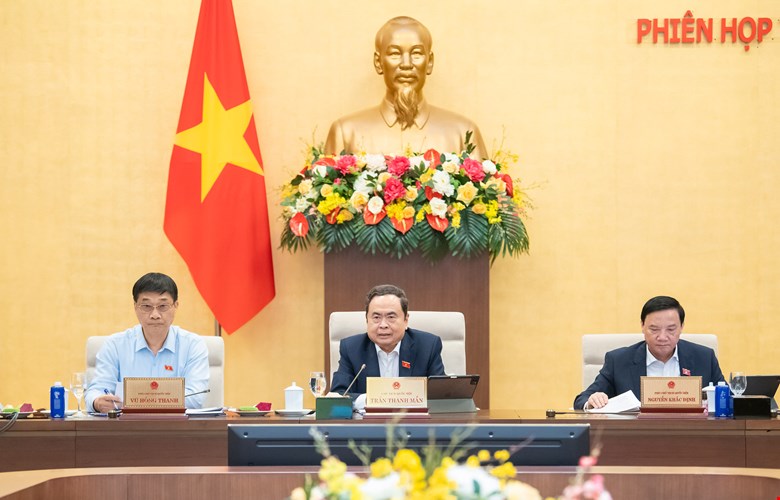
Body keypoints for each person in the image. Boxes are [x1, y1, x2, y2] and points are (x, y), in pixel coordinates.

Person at [325, 16, 488, 158]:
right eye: (395, 53)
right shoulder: (345, 133)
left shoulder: (463, 133)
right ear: (378, 62)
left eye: (416, 53)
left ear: (429, 62)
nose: (406, 64)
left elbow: (488, 185)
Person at [85, 272, 209, 412]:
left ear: (175, 306)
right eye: (146, 306)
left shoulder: (193, 345)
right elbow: (96, 391)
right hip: (127, 425)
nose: (155, 315)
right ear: (135, 307)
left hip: (176, 425)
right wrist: (97, 402)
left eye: (163, 306)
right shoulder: (115, 345)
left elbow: (195, 397)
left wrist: (138, 399)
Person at [573, 296, 725, 410]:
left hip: (692, 436)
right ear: (642, 326)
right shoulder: (618, 361)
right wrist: (593, 401)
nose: (662, 337)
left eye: (671, 329)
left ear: (681, 327)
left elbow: (727, 399)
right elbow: (582, 400)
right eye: (654, 329)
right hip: (637, 438)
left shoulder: (704, 358)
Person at [330, 284, 445, 408]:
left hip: (413, 419)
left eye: (391, 317)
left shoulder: (428, 346)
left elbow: (442, 396)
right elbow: (337, 396)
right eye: (376, 317)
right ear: (367, 320)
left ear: (406, 320)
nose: (383, 325)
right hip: (367, 420)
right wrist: (372, 400)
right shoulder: (351, 348)